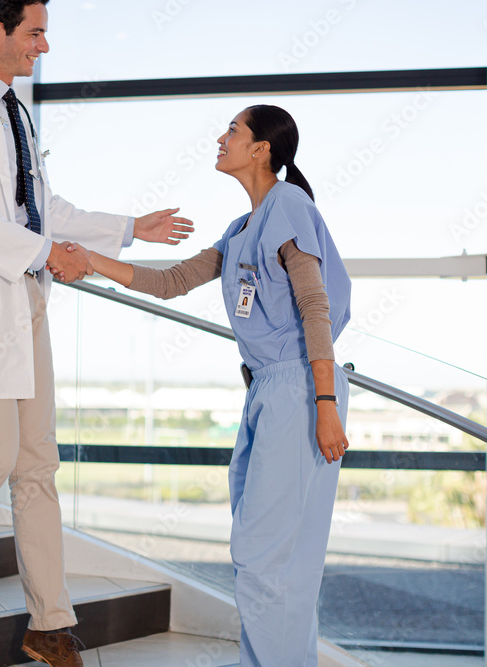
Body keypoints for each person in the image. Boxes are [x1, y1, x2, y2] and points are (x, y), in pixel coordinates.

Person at [0, 1, 193, 665]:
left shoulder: (16, 112)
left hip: (26, 302)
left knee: (37, 465)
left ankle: (49, 621)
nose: (45, 46)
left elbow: (41, 205)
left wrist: (125, 227)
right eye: (36, 31)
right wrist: (46, 252)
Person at [72, 104, 351, 666]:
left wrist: (325, 404)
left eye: (233, 130)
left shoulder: (290, 206)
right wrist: (89, 259)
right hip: (268, 393)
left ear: (262, 149)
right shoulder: (242, 228)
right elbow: (171, 281)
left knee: (264, 556)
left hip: (301, 388)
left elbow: (314, 306)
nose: (220, 139)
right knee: (270, 557)